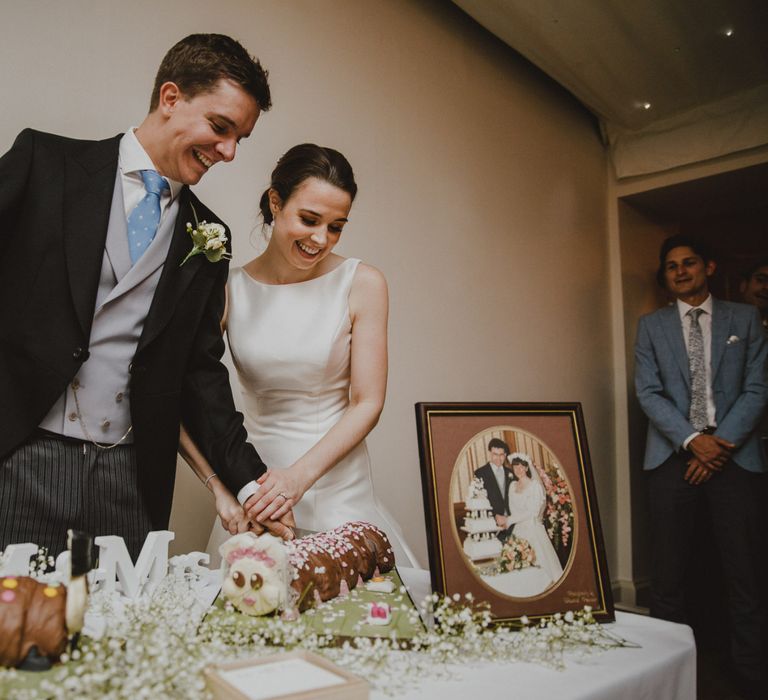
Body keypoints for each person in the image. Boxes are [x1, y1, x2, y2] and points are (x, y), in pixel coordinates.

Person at [0, 34, 291, 561]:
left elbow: (200, 374)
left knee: (122, 638)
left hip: (130, 478)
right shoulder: (46, 163)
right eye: (220, 128)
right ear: (171, 97)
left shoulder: (209, 236)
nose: (227, 151)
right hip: (22, 459)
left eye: (239, 140)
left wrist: (251, 485)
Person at [182, 143, 415, 565]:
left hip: (337, 489)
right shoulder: (229, 288)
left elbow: (368, 403)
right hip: (257, 490)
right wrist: (232, 487)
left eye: (336, 226)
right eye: (309, 220)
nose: (320, 239)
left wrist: (296, 480)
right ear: (276, 202)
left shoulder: (362, 283)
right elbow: (188, 389)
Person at [634, 234, 767, 698]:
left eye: (688, 263)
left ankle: (751, 673)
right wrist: (693, 441)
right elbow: (648, 391)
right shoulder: (651, 326)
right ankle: (667, 674)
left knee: (744, 570)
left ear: (708, 267)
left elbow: (757, 387)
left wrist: (718, 445)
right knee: (667, 573)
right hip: (673, 457)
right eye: (671, 266)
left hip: (735, 456)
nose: (680, 272)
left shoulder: (745, 319)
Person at [503, 453, 563, 584]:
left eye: (521, 466)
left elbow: (532, 512)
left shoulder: (534, 486)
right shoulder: (512, 486)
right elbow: (512, 509)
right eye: (515, 467)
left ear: (526, 468)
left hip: (532, 529)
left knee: (540, 568)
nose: (518, 470)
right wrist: (510, 520)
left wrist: (509, 520)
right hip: (517, 531)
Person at [473, 438, 513, 540]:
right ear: (490, 453)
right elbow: (478, 502)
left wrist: (509, 518)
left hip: (512, 525)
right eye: (495, 454)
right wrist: (495, 516)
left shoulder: (511, 473)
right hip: (492, 527)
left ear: (505, 455)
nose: (498, 458)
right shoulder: (480, 473)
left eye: (501, 455)